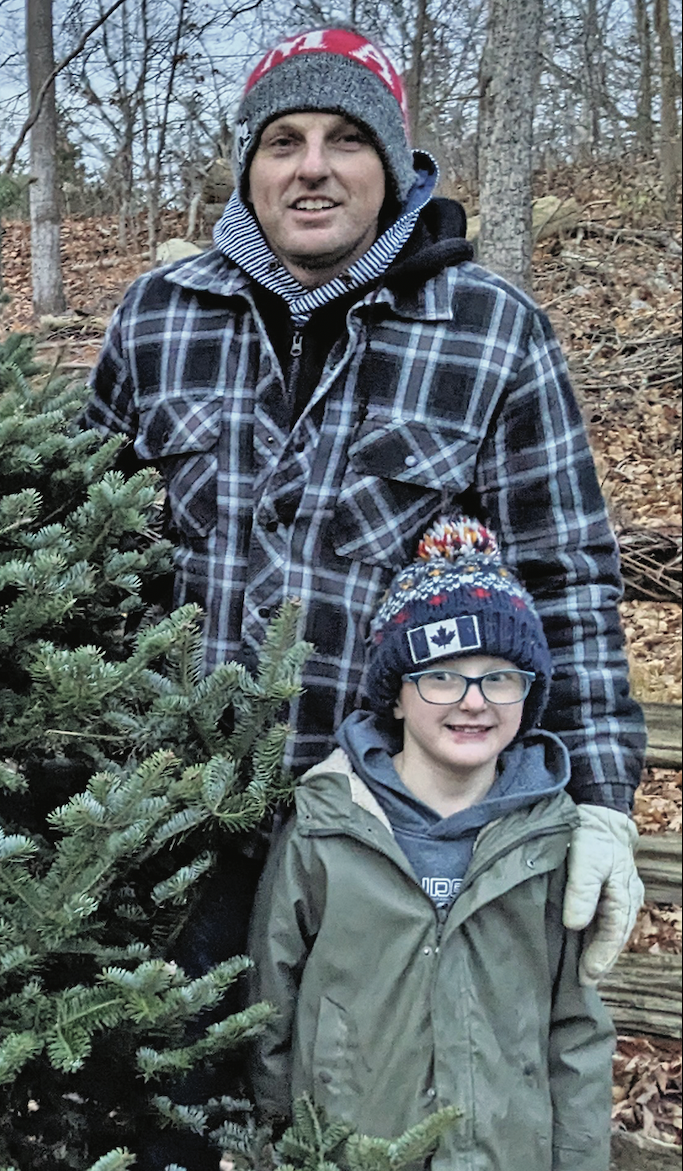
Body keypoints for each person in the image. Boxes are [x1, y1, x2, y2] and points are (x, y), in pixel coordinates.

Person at [77, 28, 642, 1167]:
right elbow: (80, 557)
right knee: (162, 1126)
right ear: (247, 167)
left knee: (354, 1131)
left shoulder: (488, 334)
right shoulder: (159, 319)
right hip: (179, 831)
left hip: (392, 843)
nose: (311, 166)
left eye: (345, 139)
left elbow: (563, 571)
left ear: (391, 165)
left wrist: (599, 798)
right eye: (281, 140)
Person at [249, 517, 613, 1167]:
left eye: (499, 676)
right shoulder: (326, 822)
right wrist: (277, 1142)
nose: (472, 700)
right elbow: (268, 1007)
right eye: (441, 675)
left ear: (527, 694)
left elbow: (575, 1031)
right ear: (394, 693)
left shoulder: (550, 838)